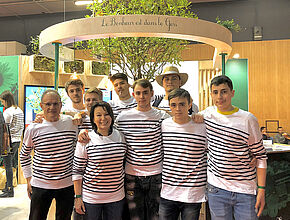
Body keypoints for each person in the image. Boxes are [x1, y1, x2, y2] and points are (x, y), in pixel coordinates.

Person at [201, 75, 267, 219]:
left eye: (224, 91)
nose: (220, 96)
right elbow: (179, 117)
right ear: (211, 94)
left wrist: (261, 189)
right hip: (216, 189)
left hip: (245, 189)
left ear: (232, 93)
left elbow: (261, 157)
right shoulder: (206, 115)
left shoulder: (248, 119)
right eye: (215, 92)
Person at [115, 79, 170, 220]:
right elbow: (108, 133)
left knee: (155, 216)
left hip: (157, 174)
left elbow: (181, 124)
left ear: (152, 93)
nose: (142, 97)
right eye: (138, 93)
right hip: (132, 175)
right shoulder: (123, 118)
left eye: (145, 93)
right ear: (133, 94)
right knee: (135, 216)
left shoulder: (162, 117)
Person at [20, 89, 78, 220]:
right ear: (41, 106)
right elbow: (24, 155)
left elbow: (85, 115)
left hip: (67, 184)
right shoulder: (33, 129)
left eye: (55, 104)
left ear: (61, 105)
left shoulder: (71, 123)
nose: (52, 107)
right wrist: (29, 179)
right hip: (40, 184)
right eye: (48, 104)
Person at [73, 102, 127, 220]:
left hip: (116, 197)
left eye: (106, 114)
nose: (103, 118)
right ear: (93, 118)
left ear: (111, 117)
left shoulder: (120, 136)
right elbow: (77, 171)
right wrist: (78, 197)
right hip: (92, 198)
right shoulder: (86, 139)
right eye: (98, 115)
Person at [159, 88, 207, 220]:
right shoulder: (164, 125)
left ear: (189, 105)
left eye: (182, 104)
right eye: (173, 105)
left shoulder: (202, 126)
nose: (178, 108)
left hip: (192, 192)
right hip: (169, 190)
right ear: (169, 106)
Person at [0, 90, 24, 198]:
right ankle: (7, 187)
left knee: (8, 165)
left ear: (6, 100)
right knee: (10, 164)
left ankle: (9, 190)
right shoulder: (19, 110)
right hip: (17, 140)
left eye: (2, 101)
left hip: (8, 142)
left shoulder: (8, 112)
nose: (2, 104)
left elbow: (5, 129)